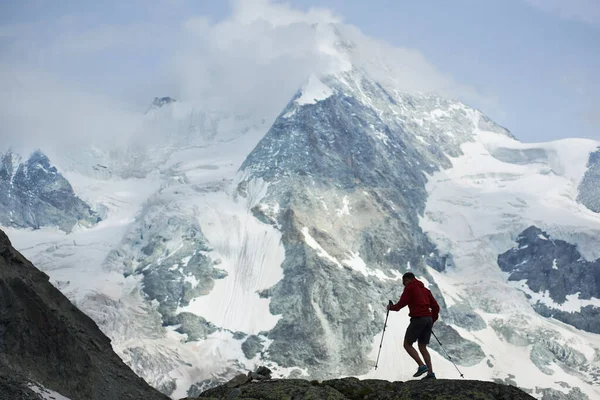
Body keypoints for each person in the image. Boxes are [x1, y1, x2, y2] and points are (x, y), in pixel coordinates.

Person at [387, 272, 440, 380]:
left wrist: (390, 307)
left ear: (407, 280)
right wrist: (431, 320)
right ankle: (431, 374)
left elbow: (400, 305)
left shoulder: (410, 288)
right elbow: (436, 307)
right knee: (422, 346)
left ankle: (421, 366)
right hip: (428, 319)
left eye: (404, 283)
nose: (404, 285)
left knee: (407, 344)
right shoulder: (426, 290)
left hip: (418, 319)